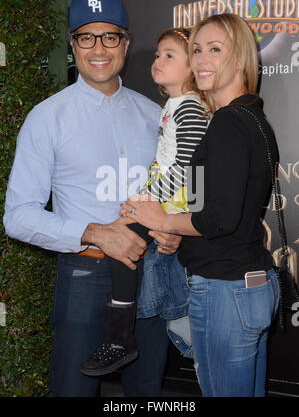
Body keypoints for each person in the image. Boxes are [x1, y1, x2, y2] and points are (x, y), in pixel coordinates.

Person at [3, 0, 182, 397]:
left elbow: (179, 191)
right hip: (84, 276)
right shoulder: (46, 118)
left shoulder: (156, 115)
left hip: (150, 274)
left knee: (147, 391)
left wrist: (174, 230)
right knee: (74, 389)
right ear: (72, 43)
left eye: (110, 36)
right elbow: (18, 216)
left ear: (126, 42)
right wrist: (97, 232)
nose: (98, 48)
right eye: (86, 37)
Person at [121, 13, 280, 397]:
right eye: (195, 50)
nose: (201, 60)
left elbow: (218, 218)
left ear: (240, 58)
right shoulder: (252, 117)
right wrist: (174, 229)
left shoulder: (227, 122)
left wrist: (163, 219)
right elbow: (208, 205)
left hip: (224, 291)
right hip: (249, 283)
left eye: (214, 50)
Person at [79, 27, 209, 377]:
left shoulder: (190, 109)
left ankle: (122, 338)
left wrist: (154, 202)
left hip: (178, 202)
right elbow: (166, 162)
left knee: (122, 241)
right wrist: (142, 196)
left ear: (193, 67)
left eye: (170, 56)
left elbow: (188, 166)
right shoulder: (173, 106)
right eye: (157, 54)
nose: (158, 61)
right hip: (169, 199)